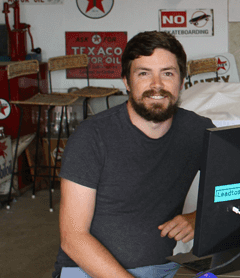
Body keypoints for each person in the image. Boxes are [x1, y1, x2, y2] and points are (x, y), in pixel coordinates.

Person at [54, 31, 215, 278]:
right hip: (87, 271)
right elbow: (73, 238)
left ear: (182, 81)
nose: (157, 85)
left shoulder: (198, 130)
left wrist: (198, 217)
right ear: (127, 82)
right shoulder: (91, 137)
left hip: (163, 269)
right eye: (144, 74)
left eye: (168, 73)